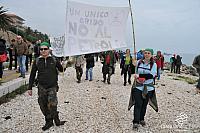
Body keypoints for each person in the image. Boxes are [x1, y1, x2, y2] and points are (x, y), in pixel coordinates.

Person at [28, 42, 66, 131]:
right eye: (41, 49)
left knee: (53, 104)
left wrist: (64, 64)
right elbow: (33, 74)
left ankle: (56, 119)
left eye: (45, 49)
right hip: (41, 87)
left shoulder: (54, 59)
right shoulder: (37, 61)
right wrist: (29, 87)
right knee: (43, 105)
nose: (43, 51)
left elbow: (61, 69)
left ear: (49, 50)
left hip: (52, 86)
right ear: (40, 50)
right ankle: (49, 121)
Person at [129, 48, 158, 129]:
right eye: (145, 53)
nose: (147, 54)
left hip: (148, 88)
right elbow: (133, 71)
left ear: (151, 55)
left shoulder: (154, 65)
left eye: (149, 53)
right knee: (138, 103)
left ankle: (142, 119)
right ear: (143, 54)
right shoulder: (139, 62)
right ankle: (135, 121)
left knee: (144, 104)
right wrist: (132, 64)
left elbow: (151, 75)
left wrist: (140, 76)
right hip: (138, 86)